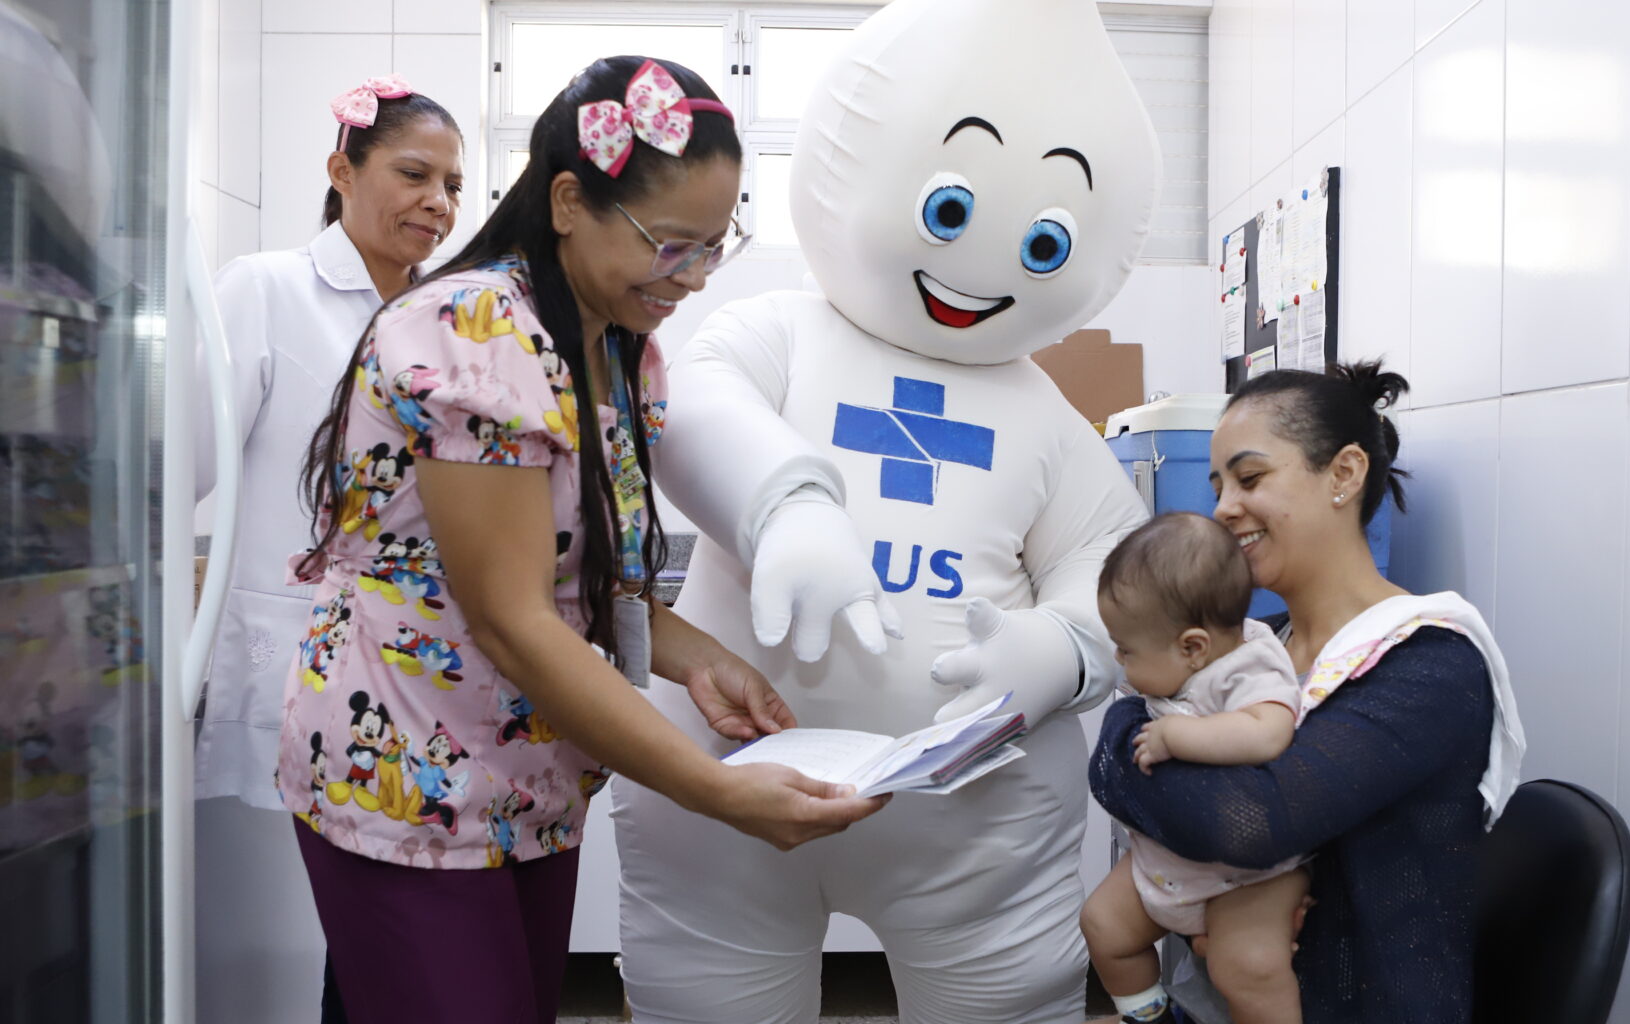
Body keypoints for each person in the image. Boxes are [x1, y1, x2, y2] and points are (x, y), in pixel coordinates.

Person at [279, 56, 886, 1024]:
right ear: (569, 200)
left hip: (527, 778)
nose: (689, 278)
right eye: (668, 244)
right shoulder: (475, 328)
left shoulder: (618, 346)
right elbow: (515, 620)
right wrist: (717, 793)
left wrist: (701, 661)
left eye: (712, 247)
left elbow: (578, 579)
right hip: (404, 769)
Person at [607, 1, 1160, 1019]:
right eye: (949, 211)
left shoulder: (1042, 414)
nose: (973, 267)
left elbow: (1122, 570)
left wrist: (1065, 652)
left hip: (974, 826)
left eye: (1044, 242)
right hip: (727, 798)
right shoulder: (772, 331)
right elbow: (688, 413)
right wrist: (787, 506)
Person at [1088, 362, 1526, 1024]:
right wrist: (1130, 741)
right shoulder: (1263, 641)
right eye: (1218, 485)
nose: (1223, 508)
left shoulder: (1429, 664)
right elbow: (1122, 731)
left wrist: (1138, 745)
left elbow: (1253, 824)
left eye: (1251, 477)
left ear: (1344, 476)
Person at [191, 74, 463, 1024]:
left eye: (454, 185)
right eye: (415, 173)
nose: (439, 202)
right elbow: (176, 467)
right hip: (287, 664)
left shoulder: (446, 320)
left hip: (415, 679)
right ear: (342, 170)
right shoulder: (268, 289)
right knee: (283, 942)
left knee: (380, 947)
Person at [1081, 512, 1309, 1024]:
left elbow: (1269, 730)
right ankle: (1151, 1018)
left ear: (1192, 648)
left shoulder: (1250, 664)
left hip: (1245, 881)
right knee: (1102, 926)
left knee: (1246, 968)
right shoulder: (1176, 669)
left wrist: (1179, 736)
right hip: (1164, 861)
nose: (1119, 659)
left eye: (1126, 649)